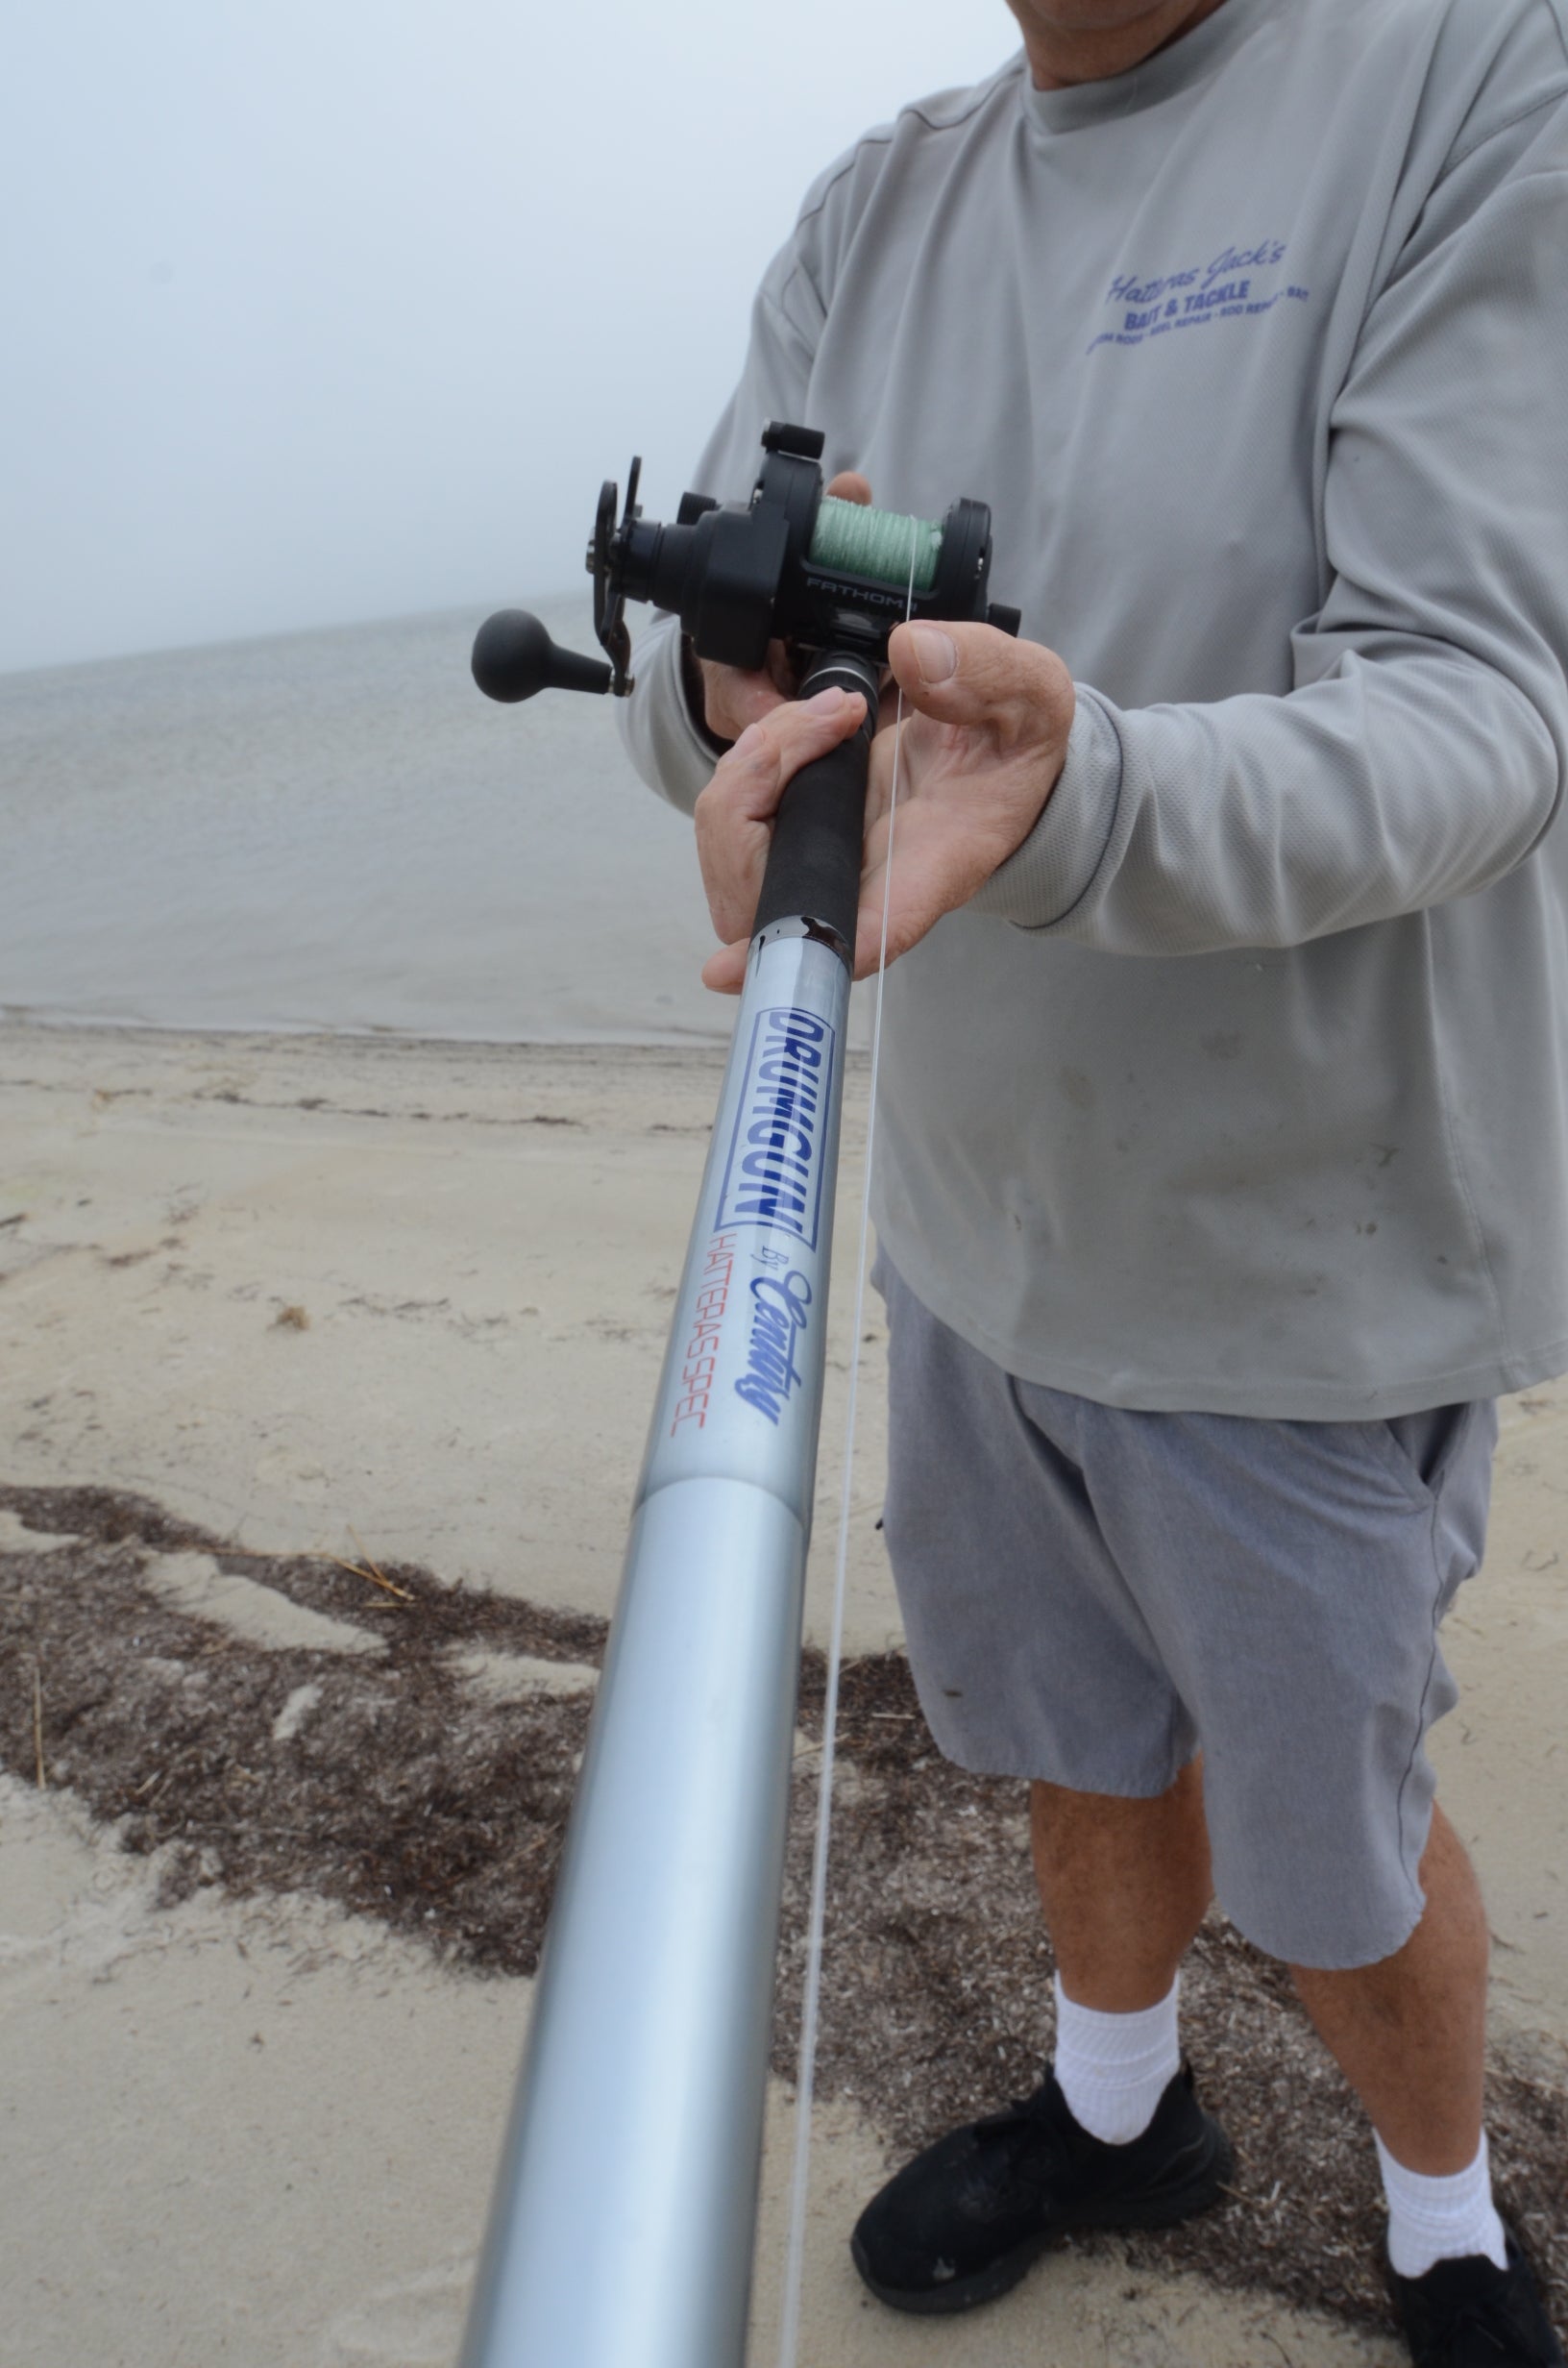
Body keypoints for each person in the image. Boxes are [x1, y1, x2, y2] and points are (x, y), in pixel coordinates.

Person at [618, 1, 1568, 2359]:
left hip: (1293, 1276)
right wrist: (713, 712)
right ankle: (1120, 2102)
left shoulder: (1479, 71)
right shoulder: (875, 201)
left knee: (1335, 1866)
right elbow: (706, 642)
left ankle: (1447, 2214)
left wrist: (1085, 792)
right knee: (1071, 1747)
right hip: (966, 1229)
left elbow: (1483, 710)